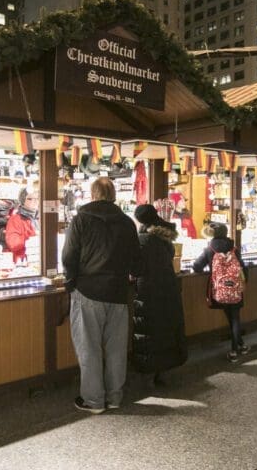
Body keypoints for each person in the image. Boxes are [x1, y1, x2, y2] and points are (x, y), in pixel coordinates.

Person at [61, 177, 141, 413]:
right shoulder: (127, 222)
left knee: (89, 348)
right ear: (114, 194)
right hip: (118, 293)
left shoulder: (81, 220)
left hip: (88, 291)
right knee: (117, 349)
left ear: (93, 194)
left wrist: (70, 282)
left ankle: (94, 400)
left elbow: (69, 256)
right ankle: (115, 397)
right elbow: (136, 260)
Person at [132, 204, 188, 383]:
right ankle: (163, 370)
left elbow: (137, 267)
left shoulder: (143, 240)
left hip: (148, 289)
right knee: (166, 328)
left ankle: (149, 369)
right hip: (168, 286)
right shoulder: (164, 236)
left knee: (150, 330)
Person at [192, 222, 249, 363]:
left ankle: (236, 350)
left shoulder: (209, 249)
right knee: (234, 318)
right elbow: (242, 267)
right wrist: (243, 282)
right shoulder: (233, 247)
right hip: (235, 288)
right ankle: (239, 347)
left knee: (231, 318)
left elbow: (197, 266)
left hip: (219, 290)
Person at [5, 188, 39, 262]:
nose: (35, 201)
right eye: (30, 199)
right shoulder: (15, 219)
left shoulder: (41, 218)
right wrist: (30, 235)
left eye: (37, 198)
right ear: (23, 200)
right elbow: (13, 244)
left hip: (40, 260)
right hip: (23, 263)